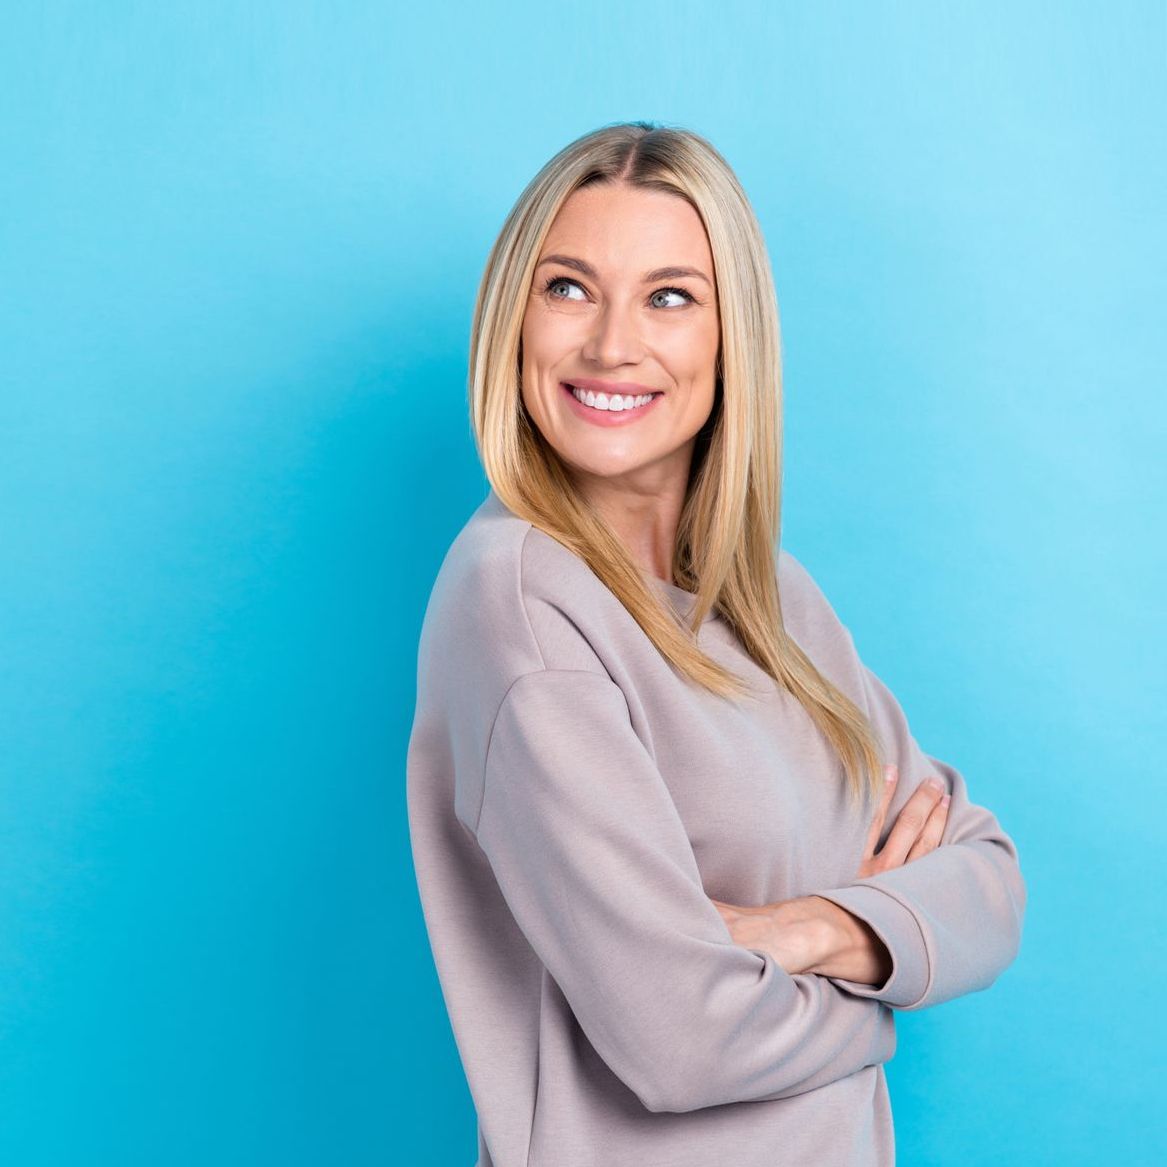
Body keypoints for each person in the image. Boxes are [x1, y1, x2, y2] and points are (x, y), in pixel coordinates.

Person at [406, 120, 1026, 1167]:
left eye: (669, 296)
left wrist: (802, 930)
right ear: (511, 318)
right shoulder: (518, 602)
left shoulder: (774, 601)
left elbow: (988, 881)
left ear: (732, 333)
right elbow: (679, 1040)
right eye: (567, 287)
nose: (611, 345)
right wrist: (879, 1000)